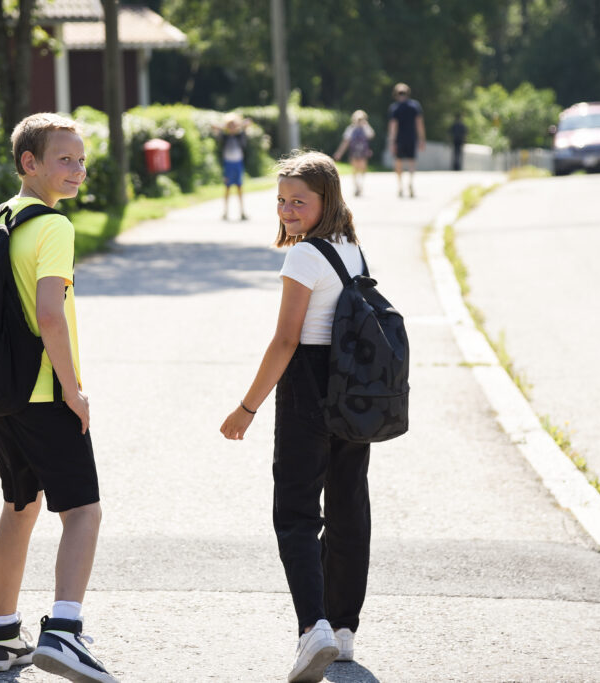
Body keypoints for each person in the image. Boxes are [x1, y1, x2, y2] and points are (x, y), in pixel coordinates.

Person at [220, 151, 372, 683]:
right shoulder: (352, 249)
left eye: (298, 202)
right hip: (355, 388)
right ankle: (344, 628)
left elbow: (287, 339)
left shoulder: (305, 257)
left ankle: (314, 629)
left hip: (310, 383)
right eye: (282, 200)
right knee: (349, 502)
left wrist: (247, 408)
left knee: (296, 511)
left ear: (325, 201)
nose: (287, 210)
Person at [0, 112, 117, 683]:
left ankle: (2, 636)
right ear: (28, 163)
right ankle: (64, 631)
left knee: (22, 504)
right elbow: (50, 316)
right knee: (83, 510)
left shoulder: (1, 217)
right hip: (41, 390)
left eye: (81, 160)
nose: (77, 170)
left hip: (0, 394)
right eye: (65, 159)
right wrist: (72, 389)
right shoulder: (54, 227)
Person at [386, 82, 425, 197]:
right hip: (411, 138)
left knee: (398, 162)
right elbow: (419, 124)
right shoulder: (415, 106)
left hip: (399, 139)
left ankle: (400, 185)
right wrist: (422, 139)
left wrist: (391, 141)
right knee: (411, 161)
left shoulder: (395, 108)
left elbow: (393, 126)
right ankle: (410, 182)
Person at [333, 109, 376, 197]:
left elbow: (371, 135)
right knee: (355, 169)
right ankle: (356, 185)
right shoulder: (350, 129)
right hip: (354, 151)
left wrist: (365, 124)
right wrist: (339, 153)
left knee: (363, 168)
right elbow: (345, 142)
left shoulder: (365, 128)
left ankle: (361, 184)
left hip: (363, 151)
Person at [218, 112, 250, 220]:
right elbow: (219, 131)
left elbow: (247, 124)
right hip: (228, 165)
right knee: (227, 188)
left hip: (238, 164)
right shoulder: (224, 136)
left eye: (233, 125)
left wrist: (239, 126)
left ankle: (242, 212)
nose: (231, 127)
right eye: (229, 125)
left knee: (239, 188)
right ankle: (225, 212)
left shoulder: (240, 135)